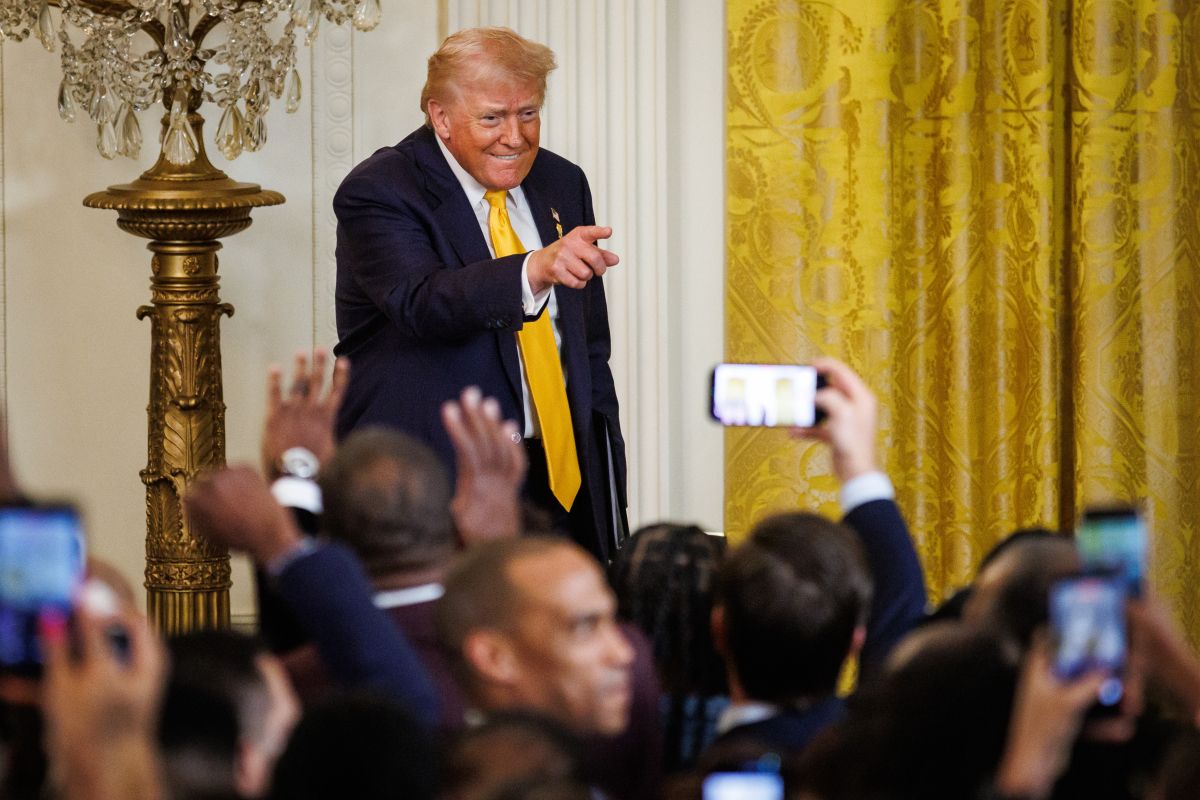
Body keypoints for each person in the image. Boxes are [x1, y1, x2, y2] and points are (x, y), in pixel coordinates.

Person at [332, 26, 627, 561]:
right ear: (441, 117)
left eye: (528, 113)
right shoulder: (380, 189)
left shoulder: (562, 181)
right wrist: (534, 269)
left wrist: (604, 468)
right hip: (436, 486)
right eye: (492, 118)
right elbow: (422, 301)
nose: (515, 137)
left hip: (559, 478)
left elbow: (587, 346)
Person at [704, 357, 927, 757]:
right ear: (854, 641)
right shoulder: (876, 754)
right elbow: (900, 610)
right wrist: (859, 468)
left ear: (719, 629)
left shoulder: (684, 777)